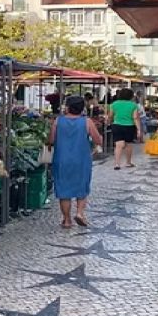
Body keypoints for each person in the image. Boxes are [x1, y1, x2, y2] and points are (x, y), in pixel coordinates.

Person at [49, 96, 103, 229]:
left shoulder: (58, 121)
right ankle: (79, 213)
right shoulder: (87, 122)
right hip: (81, 159)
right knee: (81, 188)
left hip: (62, 159)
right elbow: (98, 140)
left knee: (64, 190)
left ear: (67, 107)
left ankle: (67, 220)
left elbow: (51, 140)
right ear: (82, 108)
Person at [109, 89, 142, 170]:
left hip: (117, 125)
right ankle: (128, 162)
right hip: (129, 126)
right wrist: (139, 129)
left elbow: (110, 115)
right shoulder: (133, 105)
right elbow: (135, 118)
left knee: (118, 145)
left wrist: (109, 122)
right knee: (128, 145)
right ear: (130, 96)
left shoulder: (114, 104)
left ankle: (117, 164)